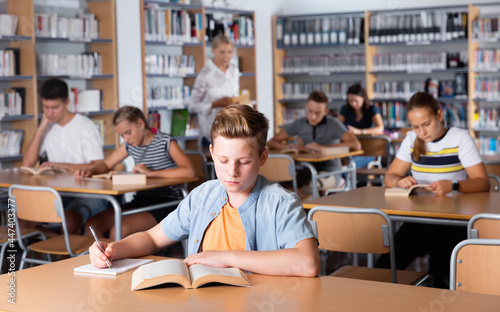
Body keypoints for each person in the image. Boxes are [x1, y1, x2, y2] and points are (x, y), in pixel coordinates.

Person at [89, 104, 321, 278]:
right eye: (223, 160)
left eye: (244, 161)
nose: (232, 172)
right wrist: (113, 249)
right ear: (211, 153)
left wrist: (225, 257)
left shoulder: (281, 202)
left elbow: (307, 263)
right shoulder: (202, 196)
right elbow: (151, 237)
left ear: (262, 157)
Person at [375, 92, 490, 288]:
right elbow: (389, 177)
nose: (422, 132)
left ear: (439, 115)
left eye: (426, 124)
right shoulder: (411, 139)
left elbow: (483, 182)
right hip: (420, 218)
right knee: (383, 267)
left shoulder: (459, 138)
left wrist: (453, 186)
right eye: (415, 126)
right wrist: (399, 182)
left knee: (440, 277)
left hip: (452, 221)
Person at [76, 106, 195, 240]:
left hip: (166, 202)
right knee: (92, 225)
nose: (125, 139)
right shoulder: (130, 145)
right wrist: (90, 170)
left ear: (141, 124)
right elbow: (106, 164)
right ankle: (106, 259)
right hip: (140, 201)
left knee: (118, 231)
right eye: (121, 135)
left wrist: (150, 173)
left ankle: (122, 257)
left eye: (128, 132)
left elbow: (189, 171)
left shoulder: (165, 141)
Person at [22, 78, 107, 234]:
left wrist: (63, 165)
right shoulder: (47, 127)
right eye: (45, 107)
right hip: (58, 193)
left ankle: (62, 249)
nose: (49, 113)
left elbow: (99, 165)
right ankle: (54, 245)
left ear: (67, 102)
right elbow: (27, 162)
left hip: (88, 193)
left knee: (68, 221)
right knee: (23, 219)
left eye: (55, 108)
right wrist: (41, 129)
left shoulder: (85, 126)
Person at [267, 90, 361, 190]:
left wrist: (322, 148)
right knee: (278, 185)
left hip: (330, 172)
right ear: (306, 107)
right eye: (310, 111)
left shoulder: (334, 124)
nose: (313, 116)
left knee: (310, 187)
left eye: (318, 113)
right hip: (306, 170)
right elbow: (271, 142)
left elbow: (356, 145)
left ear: (325, 112)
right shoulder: (299, 123)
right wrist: (287, 146)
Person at [188, 34, 240, 147]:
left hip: (232, 132)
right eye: (222, 52)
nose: (226, 56)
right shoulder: (205, 74)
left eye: (230, 52)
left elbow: (235, 95)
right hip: (211, 134)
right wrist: (215, 104)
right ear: (213, 51)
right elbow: (192, 106)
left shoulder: (234, 71)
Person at [337, 83, 385, 169]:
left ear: (363, 98)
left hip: (368, 151)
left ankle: (348, 182)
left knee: (349, 165)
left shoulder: (372, 109)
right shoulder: (345, 109)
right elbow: (336, 126)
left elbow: (380, 128)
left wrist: (360, 131)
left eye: (356, 101)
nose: (353, 104)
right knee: (337, 163)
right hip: (349, 150)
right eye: (350, 101)